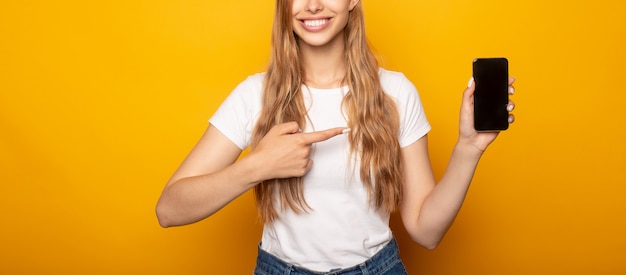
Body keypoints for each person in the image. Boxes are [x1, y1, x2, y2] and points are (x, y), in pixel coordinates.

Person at [155, 0, 516, 274]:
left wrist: (468, 148)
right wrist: (258, 166)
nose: (312, 5)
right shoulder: (255, 95)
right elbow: (169, 210)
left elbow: (425, 231)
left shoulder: (395, 92)